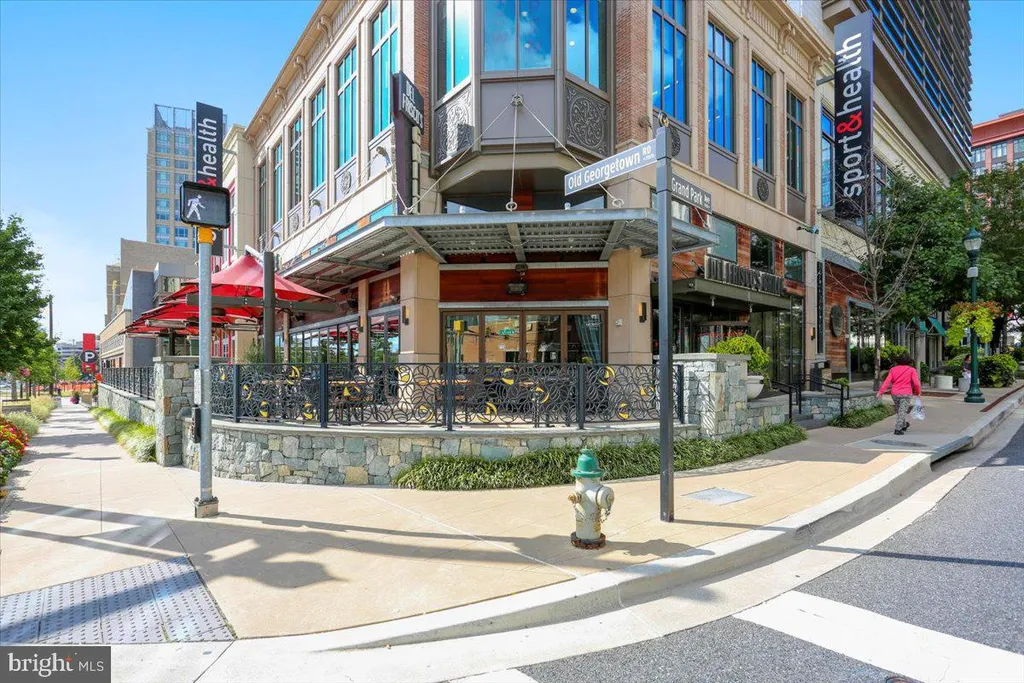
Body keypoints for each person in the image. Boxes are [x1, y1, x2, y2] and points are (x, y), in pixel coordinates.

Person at [877, 353, 922, 435]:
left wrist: (880, 392)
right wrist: (918, 392)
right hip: (906, 393)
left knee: (900, 410)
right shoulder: (911, 370)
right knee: (902, 411)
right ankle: (898, 429)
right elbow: (916, 383)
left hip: (895, 393)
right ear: (909, 361)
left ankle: (903, 425)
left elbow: (887, 382)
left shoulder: (893, 369)